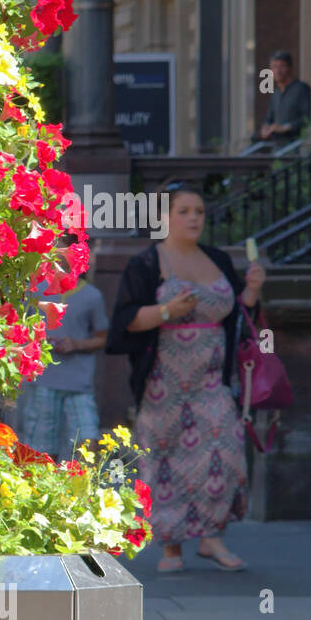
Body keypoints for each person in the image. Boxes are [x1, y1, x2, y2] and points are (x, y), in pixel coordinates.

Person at [105, 184, 266, 573]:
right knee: (164, 461)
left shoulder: (217, 259)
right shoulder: (146, 263)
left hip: (212, 381)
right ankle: (171, 548)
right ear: (164, 217)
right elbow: (123, 324)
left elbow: (236, 318)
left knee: (225, 452)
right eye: (184, 211)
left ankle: (211, 539)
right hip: (163, 383)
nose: (194, 218)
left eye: (199, 212)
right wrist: (165, 311)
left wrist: (252, 292)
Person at [15, 234, 108, 460]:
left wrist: (76, 344)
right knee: (41, 447)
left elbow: (103, 338)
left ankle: (84, 488)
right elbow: (17, 330)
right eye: (55, 245)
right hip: (44, 381)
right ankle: (43, 490)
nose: (58, 250)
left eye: (64, 246)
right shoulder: (35, 290)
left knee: (88, 441)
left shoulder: (91, 296)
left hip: (79, 383)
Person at [259, 50, 311, 142]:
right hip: (278, 146)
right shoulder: (276, 92)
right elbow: (269, 118)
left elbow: (306, 118)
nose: (278, 71)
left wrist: (285, 127)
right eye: (274, 67)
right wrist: (265, 128)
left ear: (290, 68)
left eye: (282, 66)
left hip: (296, 145)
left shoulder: (301, 89)